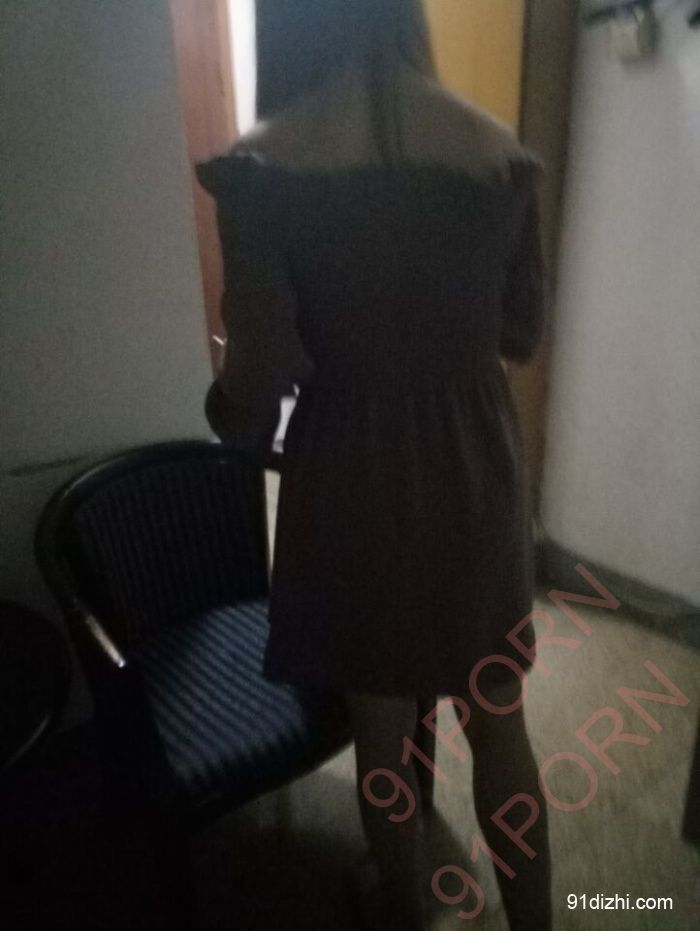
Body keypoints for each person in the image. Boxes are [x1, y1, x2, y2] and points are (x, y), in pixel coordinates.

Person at [198, 1, 551, 928]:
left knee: (383, 743)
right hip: (475, 473)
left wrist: (230, 411)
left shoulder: (263, 167)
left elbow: (258, 379)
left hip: (350, 481)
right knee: (500, 721)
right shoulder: (497, 153)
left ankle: (409, 909)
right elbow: (521, 332)